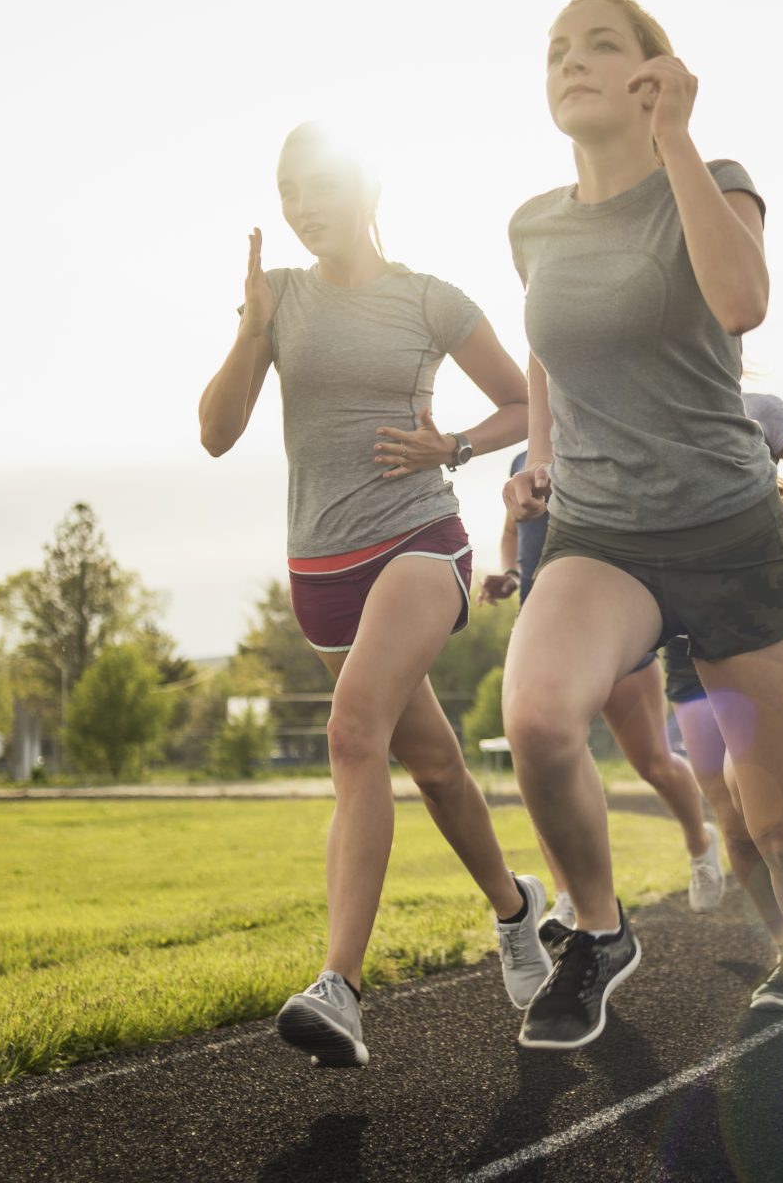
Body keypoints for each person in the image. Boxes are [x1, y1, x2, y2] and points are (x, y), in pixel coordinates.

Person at [500, 0, 783, 1106]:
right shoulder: (534, 224)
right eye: (555, 50)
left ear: (656, 69)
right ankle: (599, 929)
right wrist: (540, 458)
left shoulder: (714, 172)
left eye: (598, 43)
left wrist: (678, 140)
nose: (570, 62)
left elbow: (744, 300)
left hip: (732, 537)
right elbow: (549, 352)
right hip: (604, 532)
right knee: (536, 713)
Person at [198, 122, 551, 1067]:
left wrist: (457, 447)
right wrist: (252, 332)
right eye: (289, 193)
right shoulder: (278, 298)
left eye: (318, 186)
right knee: (433, 766)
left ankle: (341, 988)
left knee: (353, 732)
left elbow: (525, 402)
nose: (304, 207)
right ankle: (517, 912)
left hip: (419, 543)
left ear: (363, 188)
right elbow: (217, 433)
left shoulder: (430, 299)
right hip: (318, 570)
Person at [661, 390, 783, 1011]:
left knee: (782, 822)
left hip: (757, 628)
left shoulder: (757, 410)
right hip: (683, 644)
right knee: (734, 822)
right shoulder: (636, 416)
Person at [480, 447, 727, 922]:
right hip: (543, 630)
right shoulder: (520, 462)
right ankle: (570, 894)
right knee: (545, 759)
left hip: (612, 626)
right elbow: (514, 530)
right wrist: (512, 574)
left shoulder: (603, 441)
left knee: (653, 761)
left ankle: (700, 841)